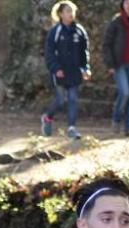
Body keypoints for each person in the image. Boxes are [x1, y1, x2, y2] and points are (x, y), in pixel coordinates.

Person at [40, 1, 91, 141]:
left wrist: (86, 68)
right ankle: (47, 118)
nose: (70, 14)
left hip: (74, 72)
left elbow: (84, 52)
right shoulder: (54, 32)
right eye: (67, 11)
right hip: (59, 72)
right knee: (60, 100)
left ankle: (71, 128)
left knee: (73, 99)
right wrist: (56, 69)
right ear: (61, 14)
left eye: (72, 11)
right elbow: (49, 53)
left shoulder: (80, 31)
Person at [102, 0, 129, 138]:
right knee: (125, 92)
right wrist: (110, 64)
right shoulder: (116, 22)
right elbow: (106, 45)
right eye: (126, 3)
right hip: (119, 64)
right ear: (122, 5)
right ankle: (116, 119)